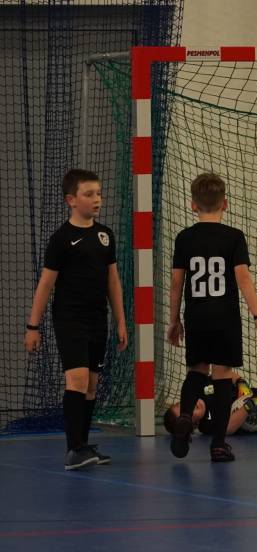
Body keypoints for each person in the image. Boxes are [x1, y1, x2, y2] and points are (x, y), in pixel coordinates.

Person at [24, 169, 128, 470]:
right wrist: (33, 326)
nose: (97, 199)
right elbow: (46, 284)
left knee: (92, 384)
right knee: (78, 380)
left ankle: (83, 445)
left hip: (98, 319)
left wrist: (120, 321)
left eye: (99, 193)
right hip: (70, 319)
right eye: (89, 194)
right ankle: (73, 450)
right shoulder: (61, 239)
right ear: (71, 200)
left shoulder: (105, 235)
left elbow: (113, 281)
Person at [166, 172, 257, 462]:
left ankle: (185, 417)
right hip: (225, 318)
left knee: (196, 372)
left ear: (192, 205)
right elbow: (243, 278)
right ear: (225, 203)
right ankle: (219, 444)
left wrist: (174, 320)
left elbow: (176, 283)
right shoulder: (234, 237)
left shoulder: (184, 238)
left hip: (197, 316)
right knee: (223, 378)